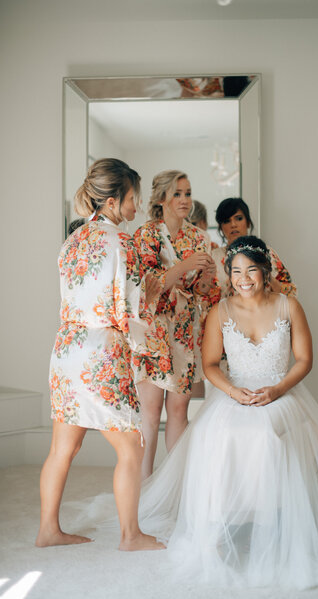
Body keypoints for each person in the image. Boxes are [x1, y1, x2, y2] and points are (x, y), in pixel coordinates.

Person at [131, 235, 318, 588]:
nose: (244, 278)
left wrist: (276, 390)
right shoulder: (220, 311)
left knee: (263, 432)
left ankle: (271, 524)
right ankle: (221, 525)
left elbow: (304, 360)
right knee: (216, 433)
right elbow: (210, 364)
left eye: (252, 270)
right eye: (236, 271)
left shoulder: (289, 306)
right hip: (235, 391)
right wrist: (232, 392)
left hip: (281, 391)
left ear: (266, 272)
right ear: (228, 275)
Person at [36, 158, 164, 552]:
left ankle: (48, 530)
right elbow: (128, 307)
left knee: (63, 447)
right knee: (132, 446)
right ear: (112, 201)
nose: (135, 207)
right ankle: (131, 536)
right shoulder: (119, 243)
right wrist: (156, 292)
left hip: (66, 350)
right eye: (132, 199)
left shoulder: (71, 240)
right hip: (100, 354)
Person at [133, 170, 220, 479]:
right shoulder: (146, 235)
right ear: (161, 199)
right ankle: (142, 490)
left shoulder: (199, 237)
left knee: (179, 411)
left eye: (188, 192)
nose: (185, 199)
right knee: (151, 411)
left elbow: (202, 291)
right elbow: (144, 288)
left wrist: (207, 277)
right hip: (154, 332)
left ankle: (176, 487)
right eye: (178, 193)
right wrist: (183, 266)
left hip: (184, 332)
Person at [213, 197, 297, 298]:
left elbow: (290, 292)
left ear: (248, 222)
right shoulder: (214, 257)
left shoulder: (266, 253)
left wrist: (267, 277)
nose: (233, 225)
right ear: (221, 227)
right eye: (227, 221)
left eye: (239, 218)